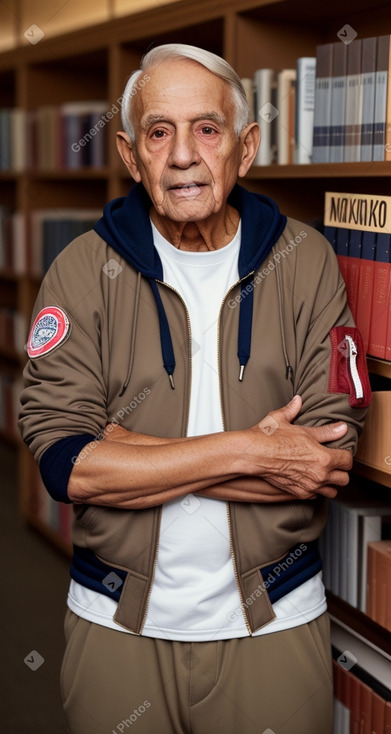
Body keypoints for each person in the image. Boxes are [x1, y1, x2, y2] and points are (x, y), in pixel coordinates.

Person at [19, 44, 371, 734]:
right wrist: (253, 450)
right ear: (129, 153)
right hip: (114, 624)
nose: (183, 155)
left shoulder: (308, 263)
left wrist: (126, 451)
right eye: (158, 132)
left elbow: (325, 460)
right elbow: (66, 466)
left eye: (206, 129)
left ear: (244, 148)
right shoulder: (80, 271)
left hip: (274, 621)